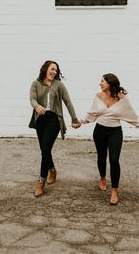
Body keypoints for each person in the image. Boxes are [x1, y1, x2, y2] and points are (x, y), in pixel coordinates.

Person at [81, 73, 139, 205]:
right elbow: (92, 113)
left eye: (103, 81)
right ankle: (103, 178)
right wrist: (81, 121)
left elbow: (130, 113)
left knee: (114, 160)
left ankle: (114, 190)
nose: (100, 83)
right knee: (101, 156)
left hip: (115, 132)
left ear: (110, 83)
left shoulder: (121, 98)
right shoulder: (98, 96)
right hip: (99, 131)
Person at [29, 60, 80, 197]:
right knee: (44, 150)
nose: (54, 72)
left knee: (45, 149)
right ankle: (52, 169)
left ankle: (41, 181)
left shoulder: (59, 85)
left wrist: (74, 118)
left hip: (54, 120)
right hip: (40, 119)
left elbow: (68, 101)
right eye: (52, 69)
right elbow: (32, 99)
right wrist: (36, 106)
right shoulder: (36, 84)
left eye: (56, 70)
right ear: (45, 69)